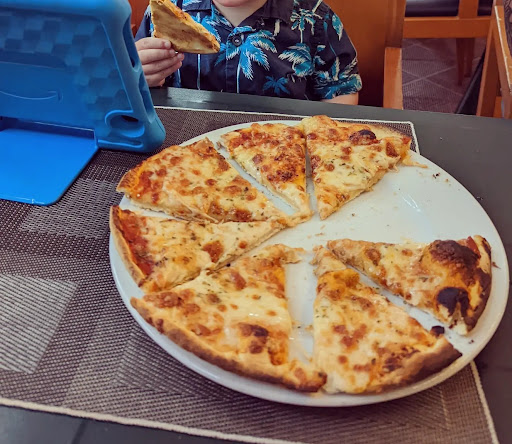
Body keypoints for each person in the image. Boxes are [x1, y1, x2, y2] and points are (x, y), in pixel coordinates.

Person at [135, 0, 361, 104]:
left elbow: (341, 90)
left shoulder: (316, 18)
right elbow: (135, 81)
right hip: (188, 150)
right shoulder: (166, 11)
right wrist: (139, 75)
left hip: (283, 152)